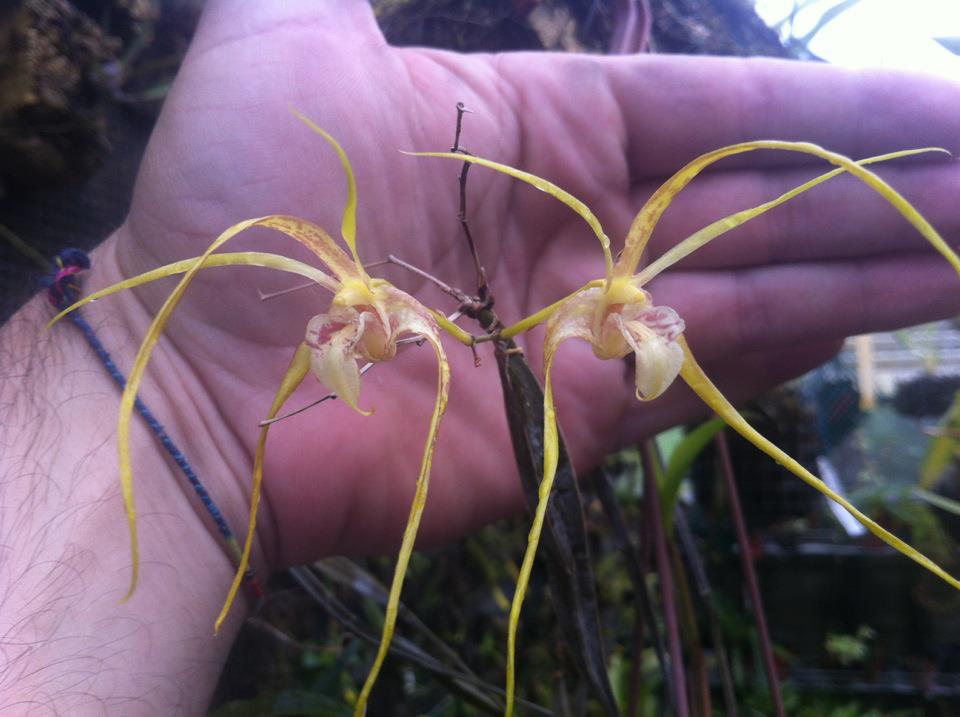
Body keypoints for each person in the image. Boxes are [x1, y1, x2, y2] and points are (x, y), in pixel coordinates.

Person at [1, 1, 958, 713]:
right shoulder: (367, 321)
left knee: (734, 421)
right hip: (420, 316)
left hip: (536, 310)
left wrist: (148, 379)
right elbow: (419, 339)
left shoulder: (569, 311)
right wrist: (154, 364)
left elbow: (511, 333)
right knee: (474, 472)